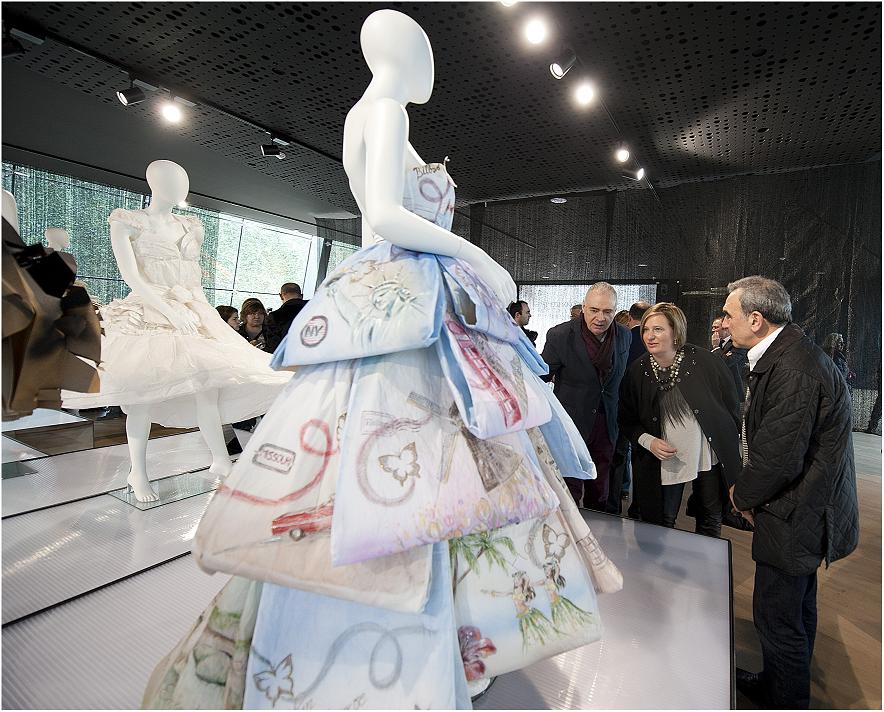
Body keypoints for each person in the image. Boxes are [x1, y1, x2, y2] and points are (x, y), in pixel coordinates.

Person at [143, 11, 617, 709]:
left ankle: (454, 631)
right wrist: (477, 255)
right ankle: (425, 639)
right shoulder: (386, 109)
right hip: (403, 291)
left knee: (429, 457)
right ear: (404, 53)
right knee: (428, 458)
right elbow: (387, 215)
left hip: (398, 290)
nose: (432, 68)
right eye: (426, 53)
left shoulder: (366, 114)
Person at [61, 161, 290, 502]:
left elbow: (193, 280)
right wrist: (169, 310)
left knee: (208, 387)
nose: (180, 186)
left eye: (183, 180)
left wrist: (206, 318)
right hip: (149, 312)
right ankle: (138, 472)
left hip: (192, 311)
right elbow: (132, 277)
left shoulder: (190, 226)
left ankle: (219, 459)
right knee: (141, 397)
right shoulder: (127, 222)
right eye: (171, 180)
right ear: (153, 182)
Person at [722, 276, 858, 709]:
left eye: (729, 314)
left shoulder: (794, 369)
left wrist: (741, 496)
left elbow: (777, 460)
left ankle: (784, 698)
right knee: (795, 611)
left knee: (779, 620)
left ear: (755, 320)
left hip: (796, 514)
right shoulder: (788, 356)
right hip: (799, 509)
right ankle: (776, 683)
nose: (723, 322)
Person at [618, 302, 741, 535]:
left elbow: (730, 406)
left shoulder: (706, 362)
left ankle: (707, 560)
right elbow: (626, 419)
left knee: (710, 518)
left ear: (675, 331)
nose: (649, 336)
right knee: (662, 521)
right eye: (646, 329)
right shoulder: (637, 371)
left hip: (707, 456)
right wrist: (648, 441)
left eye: (658, 329)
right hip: (663, 460)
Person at [542, 282, 631, 511]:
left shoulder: (623, 335)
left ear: (615, 310)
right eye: (594, 310)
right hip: (571, 426)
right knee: (569, 489)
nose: (600, 318)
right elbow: (541, 377)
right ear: (584, 307)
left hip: (607, 425)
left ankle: (598, 531)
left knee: (600, 490)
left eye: (607, 311)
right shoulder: (560, 335)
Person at [711, 312, 749, 401]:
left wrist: (716, 348)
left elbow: (726, 363)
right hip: (717, 390)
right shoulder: (718, 342)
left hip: (732, 392)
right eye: (712, 327)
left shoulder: (738, 344)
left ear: (726, 328)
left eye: (716, 327)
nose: (713, 330)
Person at [264, 282, 308, 353]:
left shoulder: (275, 316)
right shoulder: (317, 309)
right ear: (301, 296)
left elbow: (273, 347)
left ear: (281, 296)